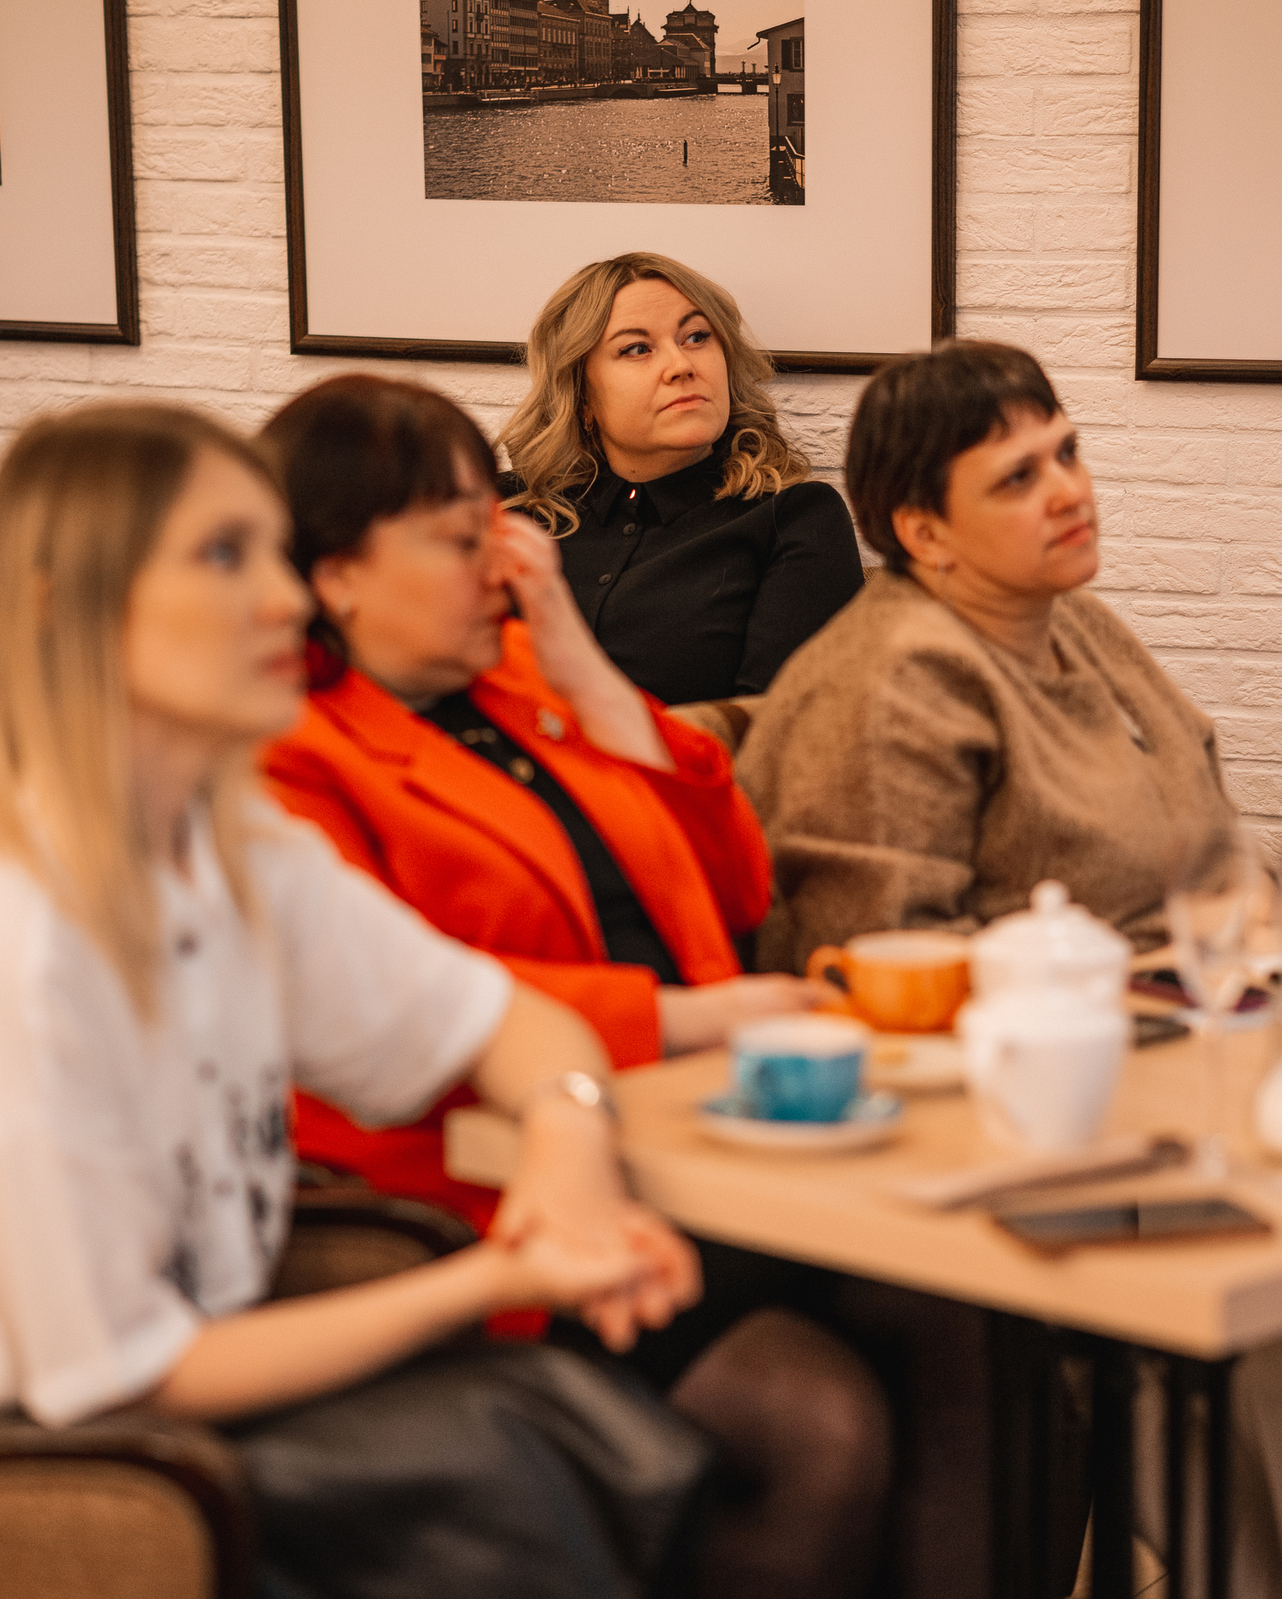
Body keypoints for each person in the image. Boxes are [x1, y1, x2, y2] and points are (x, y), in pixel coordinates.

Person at [0, 401, 892, 1599]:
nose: (286, 597)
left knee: (657, 1468)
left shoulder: (236, 851)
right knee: (612, 1488)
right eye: (225, 558)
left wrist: (569, 1161)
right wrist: (500, 1273)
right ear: (71, 607)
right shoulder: (37, 950)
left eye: (274, 553)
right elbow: (129, 1380)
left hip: (228, 1385)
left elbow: (519, 1027)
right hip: (93, 1487)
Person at [259, 373, 820, 1229]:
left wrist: (590, 676)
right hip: (484, 1178)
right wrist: (685, 1020)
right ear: (337, 578)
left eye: (500, 528)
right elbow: (395, 989)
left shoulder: (521, 677)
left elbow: (740, 892)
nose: (506, 565)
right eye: (463, 542)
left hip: (696, 1116)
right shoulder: (287, 752)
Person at [738, 340, 1239, 970]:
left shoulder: (1068, 613)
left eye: (1067, 453)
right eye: (1018, 478)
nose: (1070, 493)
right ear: (924, 532)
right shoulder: (894, 682)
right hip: (1076, 1019)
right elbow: (891, 960)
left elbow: (1212, 837)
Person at [499, 250, 863, 705]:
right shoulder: (511, 510)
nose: (681, 366)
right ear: (583, 397)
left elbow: (778, 727)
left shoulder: (794, 518)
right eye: (637, 349)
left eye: (696, 337)